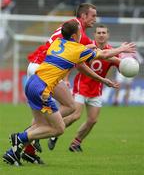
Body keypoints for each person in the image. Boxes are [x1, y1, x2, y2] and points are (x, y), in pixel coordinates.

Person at [2, 20, 135, 166]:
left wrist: (89, 48)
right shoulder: (77, 50)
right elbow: (103, 54)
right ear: (74, 35)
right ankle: (19, 138)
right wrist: (120, 49)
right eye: (80, 31)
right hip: (42, 90)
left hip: (32, 83)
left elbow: (78, 50)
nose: (82, 33)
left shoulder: (59, 42)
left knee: (40, 125)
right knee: (58, 128)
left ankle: (12, 153)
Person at [47, 24, 128, 152]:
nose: (101, 35)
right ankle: (54, 133)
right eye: (99, 33)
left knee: (92, 120)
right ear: (94, 35)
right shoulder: (89, 47)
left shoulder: (112, 51)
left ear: (108, 35)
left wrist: (127, 66)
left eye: (104, 33)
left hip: (96, 89)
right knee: (75, 115)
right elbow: (73, 61)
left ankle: (76, 143)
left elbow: (122, 68)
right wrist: (67, 79)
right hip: (82, 86)